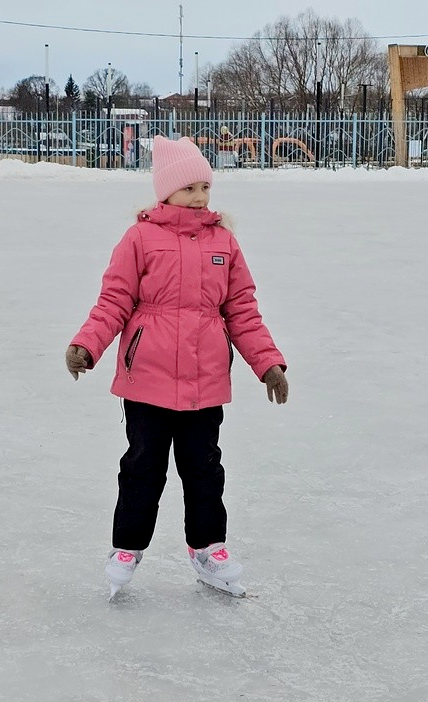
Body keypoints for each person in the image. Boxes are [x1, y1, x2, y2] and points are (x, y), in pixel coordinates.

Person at [65, 135, 289, 598]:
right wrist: (88, 345)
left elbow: (242, 310)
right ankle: (126, 547)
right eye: (190, 188)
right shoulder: (140, 238)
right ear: (165, 191)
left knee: (205, 468)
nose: (200, 197)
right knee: (143, 467)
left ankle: (208, 548)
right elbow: (114, 301)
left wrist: (267, 363)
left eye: (205, 186)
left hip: (204, 383)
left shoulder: (223, 242)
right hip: (145, 382)